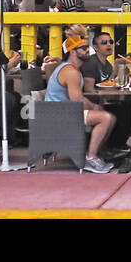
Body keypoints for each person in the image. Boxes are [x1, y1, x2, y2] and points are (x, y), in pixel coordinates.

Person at [45, 33, 116, 173]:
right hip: (60, 114)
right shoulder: (70, 72)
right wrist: (94, 107)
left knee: (110, 117)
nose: (87, 50)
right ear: (72, 51)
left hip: (64, 110)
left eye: (87, 47)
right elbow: (77, 101)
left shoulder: (71, 68)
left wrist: (95, 107)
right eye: (83, 48)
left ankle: (97, 153)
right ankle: (91, 157)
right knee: (106, 118)